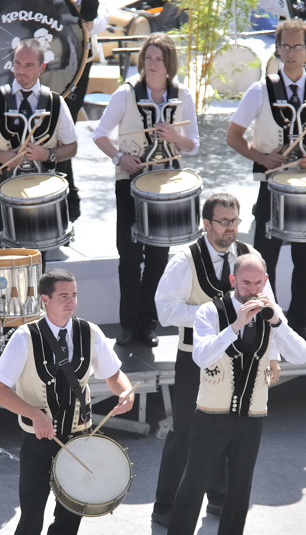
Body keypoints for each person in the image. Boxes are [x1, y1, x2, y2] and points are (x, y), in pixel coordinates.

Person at [154, 253, 306, 535]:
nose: (252, 290)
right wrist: (236, 325)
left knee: (238, 498)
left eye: (258, 283)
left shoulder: (271, 313)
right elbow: (202, 356)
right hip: (210, 417)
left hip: (251, 418)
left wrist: (277, 321)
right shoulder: (210, 312)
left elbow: (300, 355)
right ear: (232, 281)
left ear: (265, 281)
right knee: (190, 496)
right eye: (246, 283)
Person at [0, 269, 135, 535]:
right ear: (45, 300)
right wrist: (34, 414)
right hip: (38, 441)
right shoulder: (24, 338)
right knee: (32, 517)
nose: (71, 302)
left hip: (79, 438)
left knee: (70, 516)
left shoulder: (89, 332)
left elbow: (114, 374)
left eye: (74, 295)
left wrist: (125, 392)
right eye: (63, 296)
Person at [152, 193, 271, 526]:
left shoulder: (249, 256)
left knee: (225, 427)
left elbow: (268, 305)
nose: (231, 228)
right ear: (206, 224)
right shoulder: (184, 260)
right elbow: (166, 311)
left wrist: (272, 357)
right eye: (224, 221)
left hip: (242, 358)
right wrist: (215, 317)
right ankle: (165, 505)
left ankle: (219, 498)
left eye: (235, 221)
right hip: (195, 357)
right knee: (185, 431)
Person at [226, 18, 306, 350]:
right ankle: (262, 321)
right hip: (272, 187)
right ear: (277, 49)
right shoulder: (260, 90)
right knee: (265, 261)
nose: (291, 53)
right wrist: (261, 157)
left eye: (297, 46)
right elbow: (234, 136)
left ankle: (301, 323)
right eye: (285, 46)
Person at [93, 32, 200, 346]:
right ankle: (128, 325)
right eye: (148, 57)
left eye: (159, 59)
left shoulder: (183, 95)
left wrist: (175, 138)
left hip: (166, 186)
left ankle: (148, 324)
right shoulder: (125, 93)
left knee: (157, 258)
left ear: (170, 63)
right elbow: (100, 134)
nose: (152, 64)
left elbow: (193, 144)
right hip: (130, 183)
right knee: (128, 256)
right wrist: (119, 158)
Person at [0, 38, 78, 252]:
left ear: (42, 68)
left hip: (40, 198)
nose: (20, 71)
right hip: (2, 194)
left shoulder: (56, 103)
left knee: (36, 263)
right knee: (3, 261)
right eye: (17, 63)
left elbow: (71, 147)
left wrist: (47, 154)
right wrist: (0, 156)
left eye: (28, 65)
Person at [56, 0, 105, 223]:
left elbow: (101, 15)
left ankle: (66, 198)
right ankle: (65, 196)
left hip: (78, 56)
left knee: (64, 126)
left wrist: (91, 21)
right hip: (39, 53)